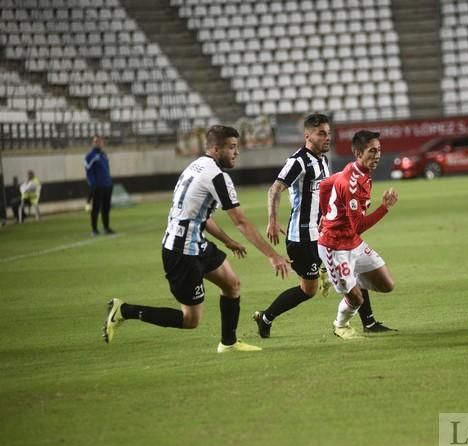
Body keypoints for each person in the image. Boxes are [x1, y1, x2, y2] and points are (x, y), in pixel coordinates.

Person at [102, 125, 290, 353]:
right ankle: (124, 311)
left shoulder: (195, 166)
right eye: (231, 147)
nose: (236, 152)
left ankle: (228, 343)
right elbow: (240, 221)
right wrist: (272, 255)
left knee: (232, 285)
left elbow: (200, 216)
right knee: (191, 319)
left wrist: (227, 241)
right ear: (215, 148)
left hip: (195, 244)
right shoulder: (217, 177)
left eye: (236, 147)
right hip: (181, 253)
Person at [252, 114, 395, 339]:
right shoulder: (298, 161)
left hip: (323, 233)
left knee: (355, 267)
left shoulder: (323, 160)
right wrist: (272, 220)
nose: (327, 138)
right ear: (307, 135)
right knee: (307, 290)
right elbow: (275, 189)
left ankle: (368, 322)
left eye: (328, 133)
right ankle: (266, 317)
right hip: (302, 238)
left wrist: (326, 215)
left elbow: (327, 188)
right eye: (321, 133)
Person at [317, 130, 399, 339]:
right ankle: (340, 325)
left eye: (379, 150)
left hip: (353, 243)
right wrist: (385, 208)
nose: (378, 155)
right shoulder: (351, 183)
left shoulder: (358, 172)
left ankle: (341, 277)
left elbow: (326, 185)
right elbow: (358, 226)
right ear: (358, 153)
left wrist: (325, 214)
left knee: (387, 284)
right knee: (356, 300)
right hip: (335, 247)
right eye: (372, 151)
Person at [84, 135, 114, 236]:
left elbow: (107, 169)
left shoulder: (104, 155)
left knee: (106, 208)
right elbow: (88, 171)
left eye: (100, 141)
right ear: (92, 143)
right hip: (97, 186)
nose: (98, 143)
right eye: (96, 141)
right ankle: (94, 229)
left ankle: (106, 227)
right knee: (96, 208)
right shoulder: (90, 156)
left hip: (107, 185)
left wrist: (109, 182)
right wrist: (93, 185)